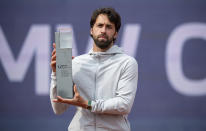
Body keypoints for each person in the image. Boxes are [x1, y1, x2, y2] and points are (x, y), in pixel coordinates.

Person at [50, 7, 138, 131]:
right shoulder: (76, 63)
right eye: (100, 25)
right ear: (92, 30)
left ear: (115, 33)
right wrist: (56, 75)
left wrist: (89, 104)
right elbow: (58, 108)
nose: (103, 30)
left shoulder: (127, 63)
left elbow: (124, 105)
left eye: (109, 27)